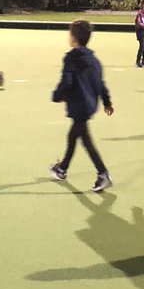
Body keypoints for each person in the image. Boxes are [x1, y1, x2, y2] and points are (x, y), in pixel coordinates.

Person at [50, 19, 115, 193]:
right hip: (89, 105)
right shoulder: (94, 60)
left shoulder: (71, 58)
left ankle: (103, 174)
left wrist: (57, 96)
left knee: (86, 140)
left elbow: (67, 81)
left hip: (79, 105)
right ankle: (62, 168)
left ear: (73, 39)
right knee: (73, 136)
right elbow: (100, 84)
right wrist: (107, 101)